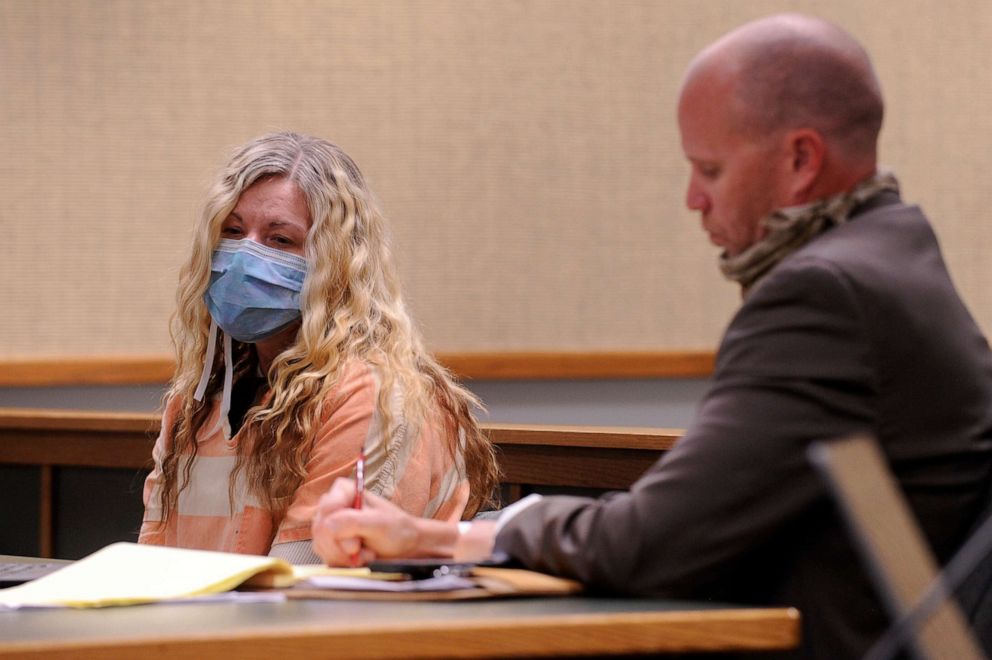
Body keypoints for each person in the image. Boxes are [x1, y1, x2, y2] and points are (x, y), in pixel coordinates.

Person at [310, 14, 992, 658]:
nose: (694, 198)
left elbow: (652, 544)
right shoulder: (895, 263)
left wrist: (434, 538)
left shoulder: (827, 297)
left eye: (711, 169)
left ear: (800, 161)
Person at [139, 132, 500, 564]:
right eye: (232, 232)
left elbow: (303, 579)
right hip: (205, 625)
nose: (243, 257)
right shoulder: (195, 401)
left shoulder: (371, 395)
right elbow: (151, 562)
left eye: (280, 240)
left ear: (336, 261)